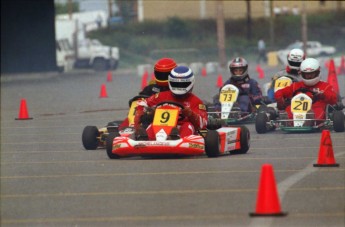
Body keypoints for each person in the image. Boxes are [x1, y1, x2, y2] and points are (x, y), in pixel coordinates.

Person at [133, 65, 208, 140]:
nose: (179, 86)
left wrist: (191, 114)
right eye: (176, 84)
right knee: (152, 125)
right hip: (159, 127)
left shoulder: (196, 101)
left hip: (182, 129)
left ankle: (176, 138)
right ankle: (144, 140)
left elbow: (203, 124)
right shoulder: (161, 96)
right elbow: (142, 103)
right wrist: (142, 112)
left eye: (182, 84)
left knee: (188, 125)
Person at [118, 58, 177, 130]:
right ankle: (126, 131)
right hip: (147, 117)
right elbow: (140, 99)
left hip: (167, 120)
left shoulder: (177, 89)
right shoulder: (151, 88)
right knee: (127, 121)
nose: (162, 77)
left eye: (165, 75)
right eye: (160, 74)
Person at [275, 58, 338, 124]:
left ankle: (309, 120)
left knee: (318, 111)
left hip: (315, 108)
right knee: (288, 109)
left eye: (311, 74)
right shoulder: (296, 85)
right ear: (302, 74)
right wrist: (279, 98)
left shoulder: (325, 86)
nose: (309, 76)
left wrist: (323, 95)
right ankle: (287, 120)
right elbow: (279, 92)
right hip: (296, 109)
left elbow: (333, 98)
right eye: (306, 74)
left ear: (317, 72)